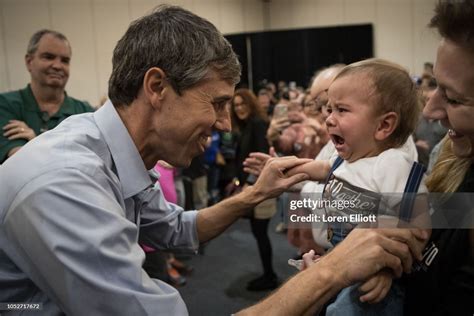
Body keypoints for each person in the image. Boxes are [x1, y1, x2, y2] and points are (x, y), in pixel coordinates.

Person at [0, 5, 428, 315]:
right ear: (157, 87)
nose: (225, 123)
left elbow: (174, 228)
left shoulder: (113, 154)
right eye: (217, 103)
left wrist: (261, 197)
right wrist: (332, 266)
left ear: (385, 123)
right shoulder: (66, 183)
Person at [287, 58, 431, 315]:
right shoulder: (348, 157)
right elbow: (323, 169)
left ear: (384, 125)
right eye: (329, 109)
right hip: (342, 258)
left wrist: (387, 268)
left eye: (341, 110)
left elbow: (418, 225)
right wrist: (292, 170)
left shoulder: (392, 163)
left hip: (373, 275)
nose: (329, 119)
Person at [403, 1, 474, 314]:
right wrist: (310, 205)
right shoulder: (454, 155)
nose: (429, 110)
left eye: (454, 99)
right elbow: (428, 214)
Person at [0, 29, 94, 163]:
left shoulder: (85, 113)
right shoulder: (5, 105)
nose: (57, 65)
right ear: (29, 62)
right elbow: (20, 162)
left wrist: (35, 142)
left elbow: (94, 164)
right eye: (48, 57)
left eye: (65, 60)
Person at [230, 88, 278, 291]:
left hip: (260, 187)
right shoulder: (246, 126)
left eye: (243, 104)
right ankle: (269, 274)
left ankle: (270, 276)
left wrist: (250, 184)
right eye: (236, 105)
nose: (239, 108)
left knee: (260, 233)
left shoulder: (257, 124)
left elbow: (262, 157)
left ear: (251, 104)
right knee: (259, 233)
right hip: (253, 186)